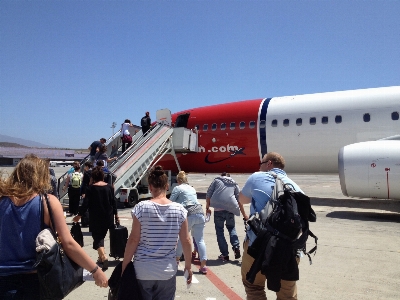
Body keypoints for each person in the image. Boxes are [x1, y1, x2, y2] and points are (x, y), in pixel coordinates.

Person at [0, 155, 108, 299]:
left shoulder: (2, 201)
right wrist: (95, 270)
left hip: (3, 281)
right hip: (35, 283)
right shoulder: (47, 202)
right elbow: (68, 243)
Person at [121, 165, 193, 300]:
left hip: (143, 270)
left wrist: (125, 264)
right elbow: (186, 240)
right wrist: (188, 266)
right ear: (167, 186)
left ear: (150, 187)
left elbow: (133, 239)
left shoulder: (141, 207)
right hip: (167, 271)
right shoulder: (179, 210)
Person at [239, 152, 303, 300]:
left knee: (254, 288)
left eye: (260, 164)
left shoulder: (257, 177)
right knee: (287, 295)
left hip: (258, 246)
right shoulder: (297, 188)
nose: (259, 167)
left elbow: (241, 199)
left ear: (269, 164)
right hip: (289, 251)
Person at [73, 166, 119, 271]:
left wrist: (79, 215)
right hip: (108, 217)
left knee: (97, 237)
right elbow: (113, 202)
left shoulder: (91, 188)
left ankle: (103, 256)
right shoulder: (109, 187)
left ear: (93, 177)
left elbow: (86, 204)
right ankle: (101, 258)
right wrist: (116, 216)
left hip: (95, 217)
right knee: (101, 236)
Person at [170, 171, 208, 274]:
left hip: (188, 214)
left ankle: (176, 260)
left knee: (183, 239)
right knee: (200, 240)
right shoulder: (192, 188)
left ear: (178, 180)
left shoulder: (177, 188)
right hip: (200, 213)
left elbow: (171, 201)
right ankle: (203, 266)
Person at [206, 172, 248, 261]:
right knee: (231, 228)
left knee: (219, 231)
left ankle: (225, 254)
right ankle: (236, 247)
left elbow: (208, 194)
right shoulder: (234, 183)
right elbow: (239, 200)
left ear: (222, 176)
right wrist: (245, 215)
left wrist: (207, 208)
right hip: (230, 209)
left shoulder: (216, 181)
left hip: (218, 210)